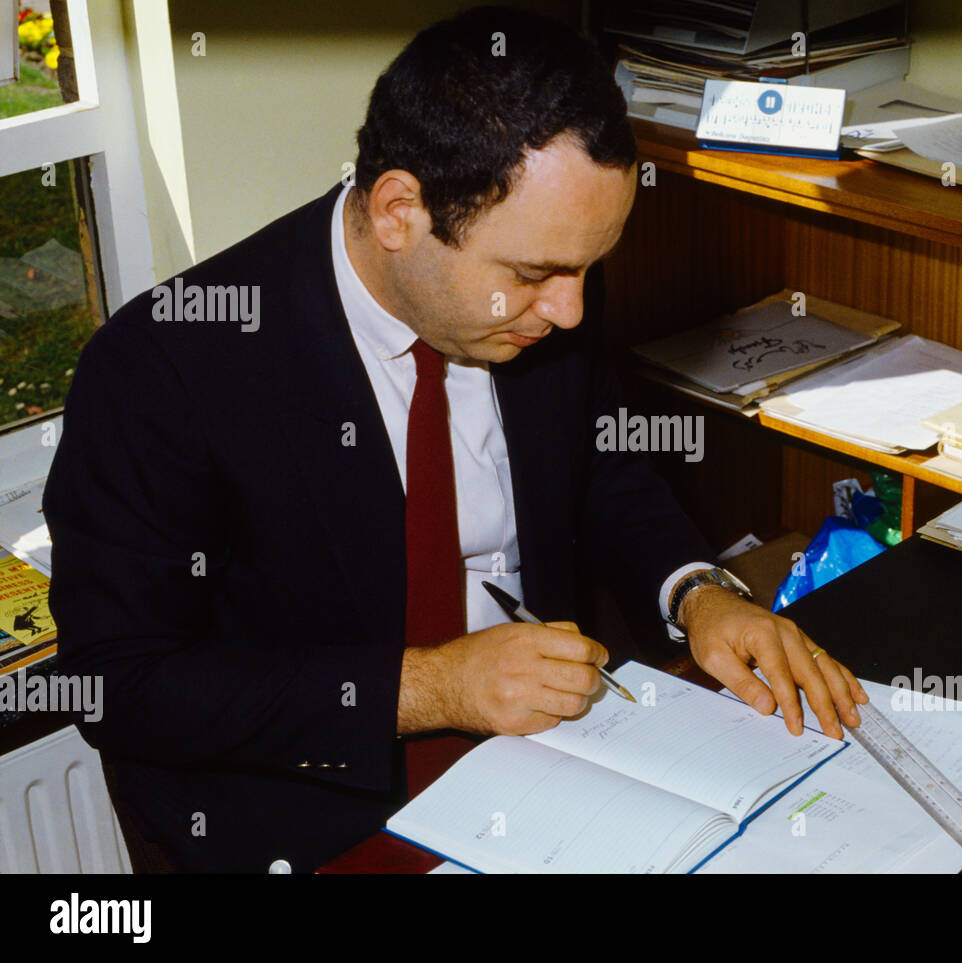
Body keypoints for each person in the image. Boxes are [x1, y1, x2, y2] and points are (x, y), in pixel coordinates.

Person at [44, 5, 866, 873]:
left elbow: (607, 476)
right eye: (533, 274)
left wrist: (700, 595)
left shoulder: (544, 288)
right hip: (320, 812)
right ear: (400, 210)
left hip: (560, 759)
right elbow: (123, 684)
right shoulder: (163, 368)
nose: (572, 310)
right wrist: (437, 685)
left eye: (590, 268)